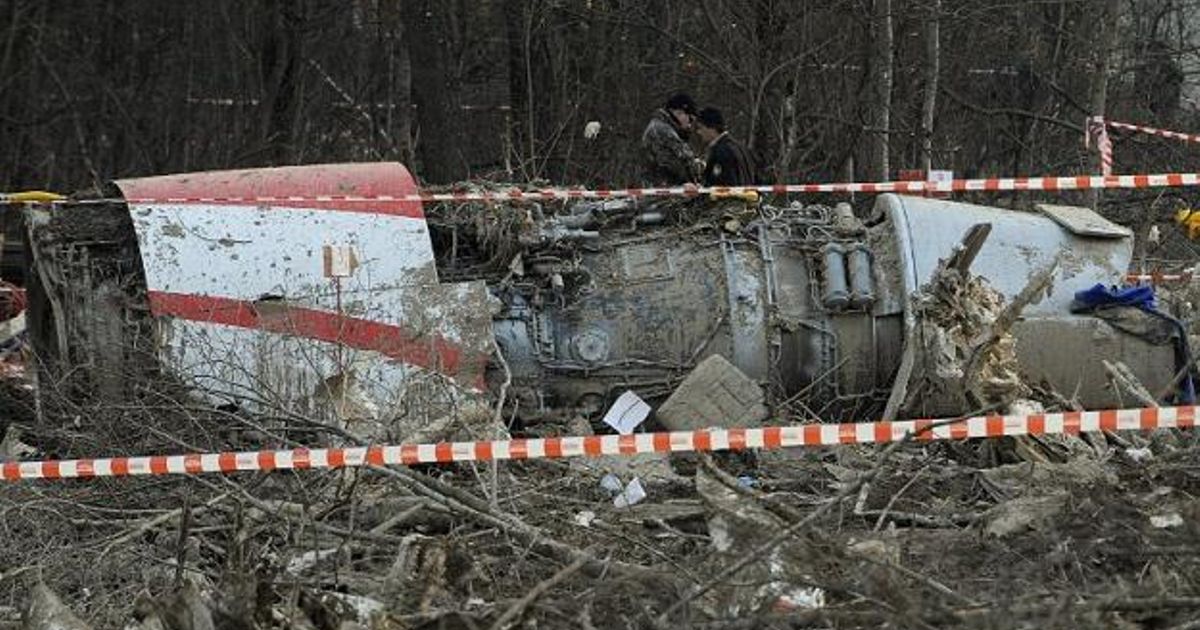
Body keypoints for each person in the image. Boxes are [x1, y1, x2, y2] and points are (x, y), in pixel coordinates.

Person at [641, 93, 702, 185]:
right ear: (679, 113)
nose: (690, 124)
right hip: (666, 190)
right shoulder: (663, 131)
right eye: (690, 119)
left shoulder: (660, 127)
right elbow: (684, 160)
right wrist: (702, 169)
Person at [694, 107, 755, 186]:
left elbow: (719, 183)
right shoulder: (741, 147)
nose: (698, 132)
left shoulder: (721, 152)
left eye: (701, 128)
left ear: (711, 128)